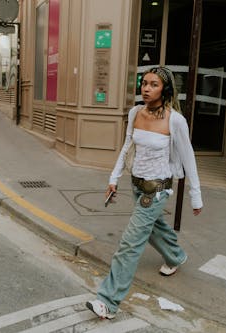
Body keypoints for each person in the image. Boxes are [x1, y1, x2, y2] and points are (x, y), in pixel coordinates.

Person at [86, 66, 203, 320]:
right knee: (152, 227)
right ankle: (176, 256)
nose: (146, 89)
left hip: (158, 189)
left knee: (130, 243)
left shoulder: (175, 120)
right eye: (144, 83)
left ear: (165, 90)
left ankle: (108, 301)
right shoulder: (135, 112)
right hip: (137, 184)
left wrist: (196, 196)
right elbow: (127, 146)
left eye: (153, 85)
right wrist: (113, 178)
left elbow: (188, 158)